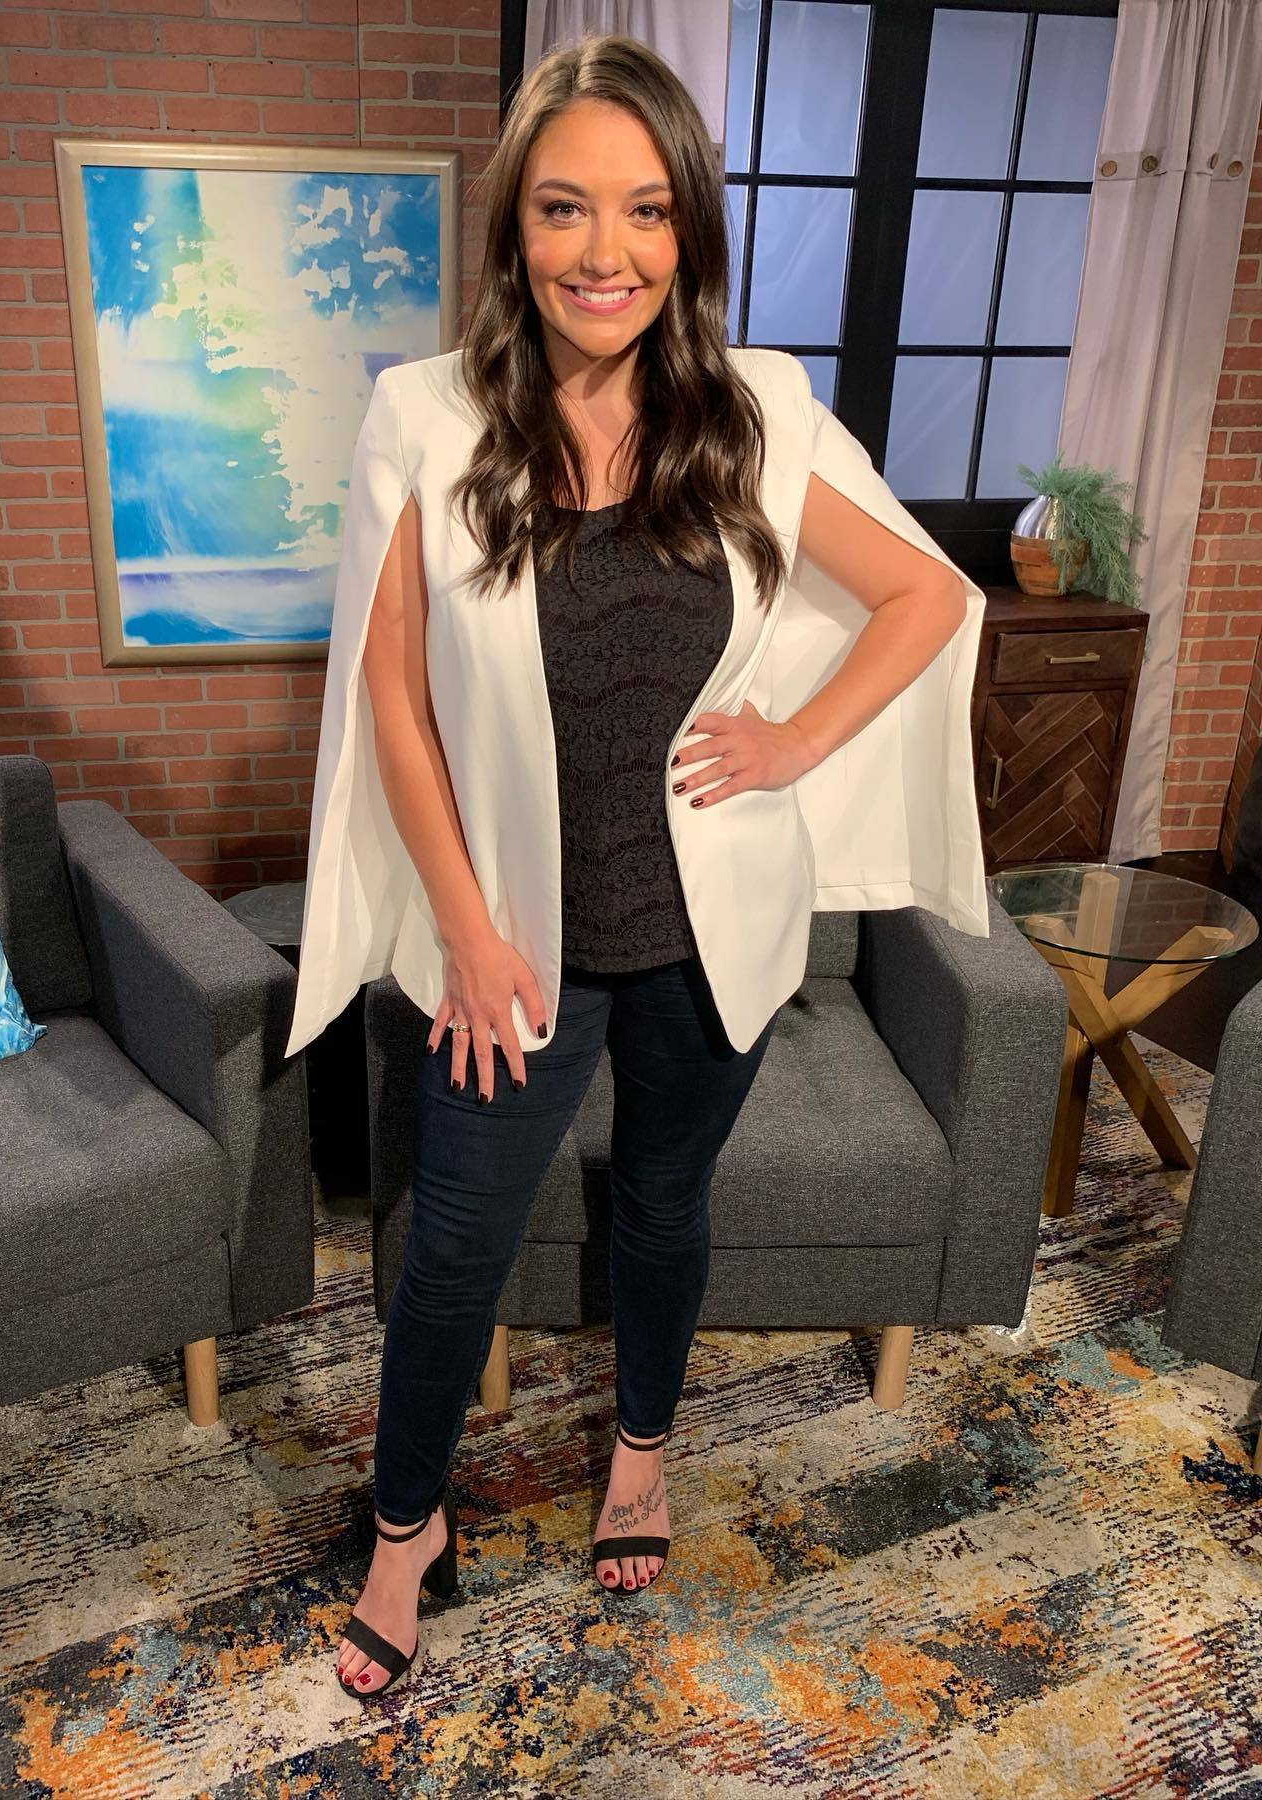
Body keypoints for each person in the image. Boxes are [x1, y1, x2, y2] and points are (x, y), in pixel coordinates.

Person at [322, 34, 974, 1699]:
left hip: (707, 936)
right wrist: (465, 929)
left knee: (668, 1206)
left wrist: (796, 742)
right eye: (563, 208)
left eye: (644, 209)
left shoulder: (755, 412)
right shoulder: (425, 417)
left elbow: (926, 597)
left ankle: (639, 1456)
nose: (602, 251)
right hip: (515, 949)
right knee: (453, 1247)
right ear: (515, 228)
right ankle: (405, 1527)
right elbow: (394, 698)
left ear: (687, 230)